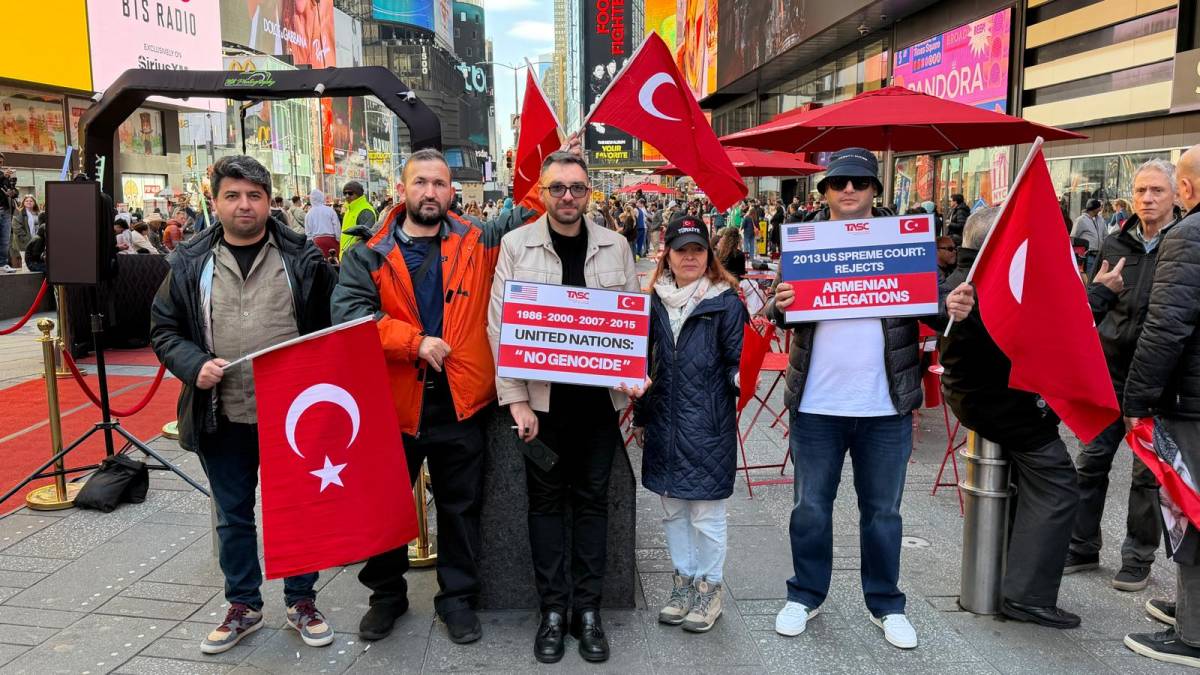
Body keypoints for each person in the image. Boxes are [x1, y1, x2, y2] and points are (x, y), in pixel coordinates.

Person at [767, 148, 974, 649]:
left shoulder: (903, 242)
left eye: (860, 181)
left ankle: (885, 603)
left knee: (883, 512)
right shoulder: (804, 242)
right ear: (825, 193)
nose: (849, 190)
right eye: (839, 183)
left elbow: (939, 306)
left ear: (875, 190)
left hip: (885, 407)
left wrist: (956, 305)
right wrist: (779, 304)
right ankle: (805, 595)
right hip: (817, 404)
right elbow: (782, 310)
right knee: (810, 508)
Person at [332, 147, 538, 645]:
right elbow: (350, 319)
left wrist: (555, 156)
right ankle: (386, 596)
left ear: (453, 191)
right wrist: (414, 342)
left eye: (440, 183)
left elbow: (534, 202)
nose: (430, 192)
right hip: (390, 401)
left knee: (460, 506)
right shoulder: (367, 253)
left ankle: (458, 599)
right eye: (420, 182)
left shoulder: (480, 240)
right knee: (384, 506)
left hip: (461, 401)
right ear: (402, 190)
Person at [149, 155, 339, 655]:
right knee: (232, 514)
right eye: (232, 195)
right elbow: (164, 329)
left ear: (269, 201)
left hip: (291, 413)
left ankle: (302, 600)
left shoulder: (302, 259)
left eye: (254, 195)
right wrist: (194, 364)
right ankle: (243, 605)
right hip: (223, 412)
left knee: (296, 510)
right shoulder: (191, 262)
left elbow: (331, 328)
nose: (244, 205)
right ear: (215, 202)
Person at [488, 151, 641, 664]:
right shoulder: (515, 245)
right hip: (541, 407)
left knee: (595, 505)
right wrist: (516, 403)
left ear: (589, 193)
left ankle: (589, 612)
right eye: (558, 188)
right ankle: (554, 611)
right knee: (545, 507)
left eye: (577, 187)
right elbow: (499, 329)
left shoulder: (617, 246)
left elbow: (630, 323)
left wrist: (630, 380)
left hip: (598, 406)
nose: (568, 197)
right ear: (542, 193)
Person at [939, 206, 1083, 630]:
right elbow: (1022, 333)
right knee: (1059, 484)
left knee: (1035, 484)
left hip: (991, 400)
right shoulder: (978, 288)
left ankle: (1016, 578)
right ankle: (1027, 596)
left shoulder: (973, 280)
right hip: (1002, 406)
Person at [631, 214, 747, 633]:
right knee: (673, 509)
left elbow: (737, 361)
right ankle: (682, 582)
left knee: (707, 514)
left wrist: (743, 377)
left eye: (698, 249)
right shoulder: (652, 301)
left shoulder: (726, 301)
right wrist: (641, 416)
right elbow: (645, 364)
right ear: (668, 255)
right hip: (663, 420)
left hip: (708, 424)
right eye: (682, 250)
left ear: (709, 254)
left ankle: (709, 589)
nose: (690, 257)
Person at [1066, 160, 1177, 591]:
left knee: (1147, 473)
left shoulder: (1183, 243)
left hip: (1155, 379)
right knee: (1091, 461)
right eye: (1141, 190)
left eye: (1157, 191)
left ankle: (1137, 556)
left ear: (1175, 196)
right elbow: (1099, 300)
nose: (1147, 199)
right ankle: (1081, 543)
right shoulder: (1117, 241)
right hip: (1108, 372)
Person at [1123, 143, 1200, 667]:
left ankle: (1193, 636)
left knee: (1190, 512)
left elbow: (1166, 327)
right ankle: (1191, 609)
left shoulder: (1188, 235)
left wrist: (1136, 398)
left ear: (1186, 190)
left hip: (1190, 404)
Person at [338, 181, 376, 259]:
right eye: (345, 193)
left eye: (350, 193)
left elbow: (364, 240)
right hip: (347, 258)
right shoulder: (349, 210)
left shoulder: (365, 210)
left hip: (356, 260)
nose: (347, 196)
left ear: (358, 194)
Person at [303, 189, 340, 260]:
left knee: (320, 263)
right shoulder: (330, 210)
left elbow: (308, 233)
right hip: (331, 240)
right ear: (322, 197)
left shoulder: (309, 214)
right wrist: (338, 239)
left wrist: (311, 245)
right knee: (335, 263)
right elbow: (337, 226)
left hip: (317, 241)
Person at [1072, 198, 1106, 273]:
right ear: (1094, 208)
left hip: (1099, 256)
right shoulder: (1081, 220)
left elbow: (1106, 236)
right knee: (1088, 278)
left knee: (1096, 280)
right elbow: (1073, 238)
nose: (1100, 209)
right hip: (1088, 256)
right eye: (1099, 207)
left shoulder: (1101, 220)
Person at [11, 195, 39, 269]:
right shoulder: (18, 212)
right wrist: (26, 238)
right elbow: (16, 227)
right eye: (27, 201)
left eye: (31, 201)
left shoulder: (37, 212)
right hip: (24, 241)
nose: (29, 202)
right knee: (25, 262)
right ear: (23, 202)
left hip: (35, 241)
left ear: (34, 203)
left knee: (34, 261)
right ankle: (27, 278)